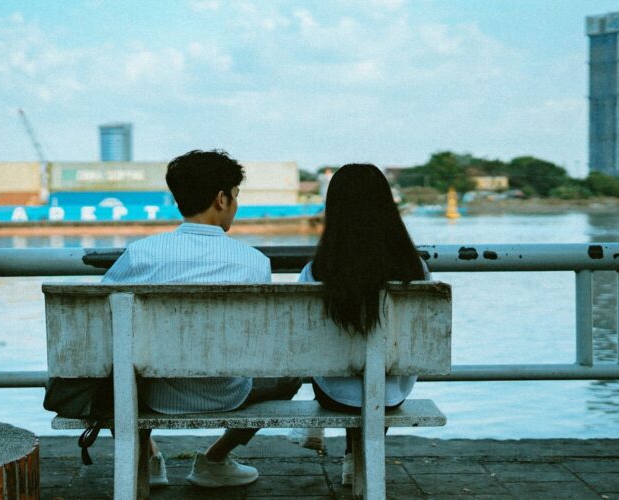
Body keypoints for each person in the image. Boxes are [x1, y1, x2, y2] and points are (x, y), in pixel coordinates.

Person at [102, 150, 300, 488]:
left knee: (123, 368)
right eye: (235, 196)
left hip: (154, 394)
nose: (235, 205)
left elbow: (102, 320)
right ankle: (215, 460)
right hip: (229, 391)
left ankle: (145, 457)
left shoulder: (140, 254)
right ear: (221, 199)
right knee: (291, 375)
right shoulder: (253, 262)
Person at [297, 163, 429, 486]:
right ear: (388, 207)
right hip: (391, 393)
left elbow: (303, 341)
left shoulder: (316, 270)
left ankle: (351, 451)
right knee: (379, 373)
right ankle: (357, 456)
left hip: (333, 394)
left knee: (341, 366)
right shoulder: (416, 270)